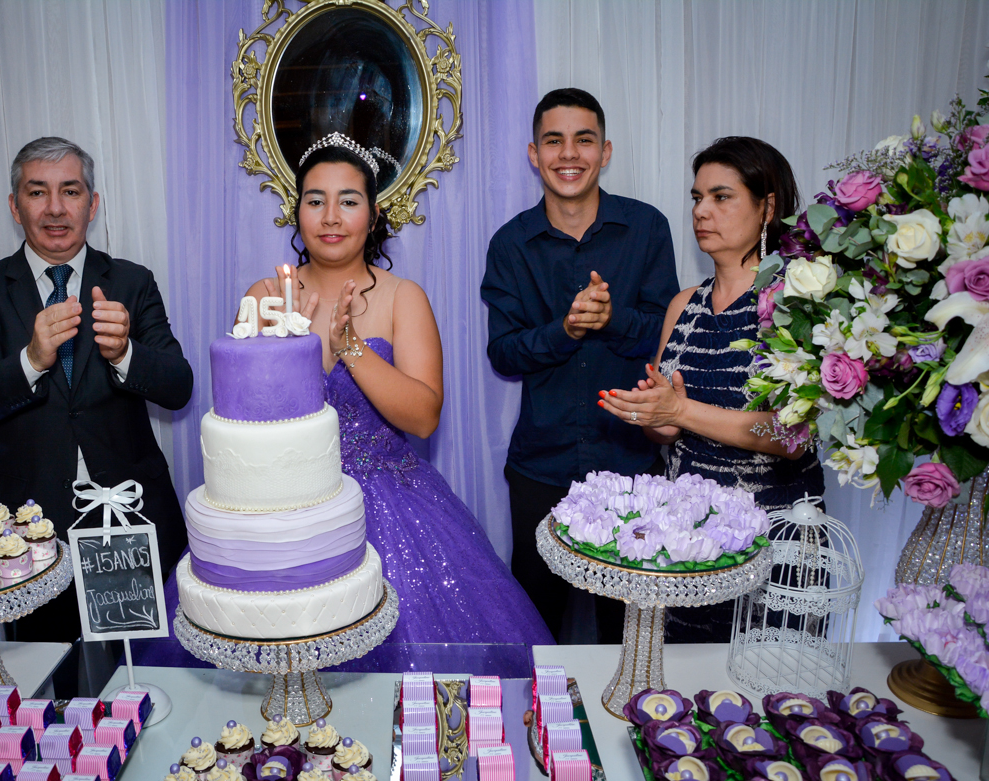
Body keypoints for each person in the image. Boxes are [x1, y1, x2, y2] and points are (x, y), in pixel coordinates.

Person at [243, 133, 554, 657]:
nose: (331, 216)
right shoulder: (267, 296)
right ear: (297, 212)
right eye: (315, 200)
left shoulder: (402, 296)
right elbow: (247, 423)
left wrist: (351, 349)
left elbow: (425, 416)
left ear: (373, 212)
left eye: (348, 200)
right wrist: (292, 344)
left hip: (390, 508)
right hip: (287, 509)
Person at [0, 137, 192, 643]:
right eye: (37, 192)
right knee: (51, 686)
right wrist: (29, 361)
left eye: (70, 191)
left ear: (92, 204)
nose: (55, 208)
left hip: (125, 521)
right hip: (28, 536)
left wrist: (125, 353)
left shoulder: (131, 282)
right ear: (15, 206)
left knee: (133, 675)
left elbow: (178, 386)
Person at [599, 136, 825, 642]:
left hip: (773, 543)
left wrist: (680, 407)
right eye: (698, 198)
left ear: (767, 207)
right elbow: (671, 432)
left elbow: (793, 435)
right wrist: (652, 416)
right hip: (689, 543)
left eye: (721, 197)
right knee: (679, 700)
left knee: (767, 702)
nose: (702, 210)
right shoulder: (684, 305)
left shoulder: (796, 300)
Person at [481, 89, 679, 642]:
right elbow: (504, 354)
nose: (569, 154)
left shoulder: (647, 228)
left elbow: (668, 333)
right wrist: (563, 331)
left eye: (583, 139)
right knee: (538, 630)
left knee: (631, 634)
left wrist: (613, 319)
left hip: (632, 464)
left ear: (605, 150)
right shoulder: (511, 245)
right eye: (554, 141)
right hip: (539, 469)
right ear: (533, 154)